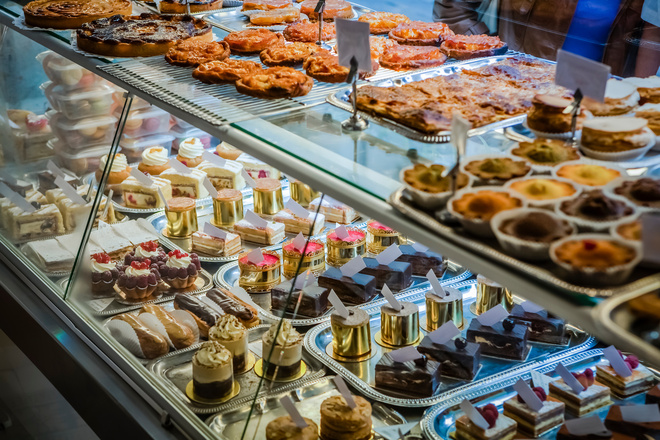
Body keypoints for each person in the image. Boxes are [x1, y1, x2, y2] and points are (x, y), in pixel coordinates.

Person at [433, 0, 660, 76]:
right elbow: (454, 8)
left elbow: (652, 34)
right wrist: (489, 56)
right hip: (511, 83)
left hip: (595, 99)